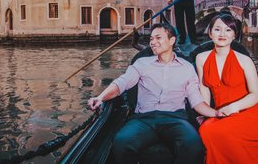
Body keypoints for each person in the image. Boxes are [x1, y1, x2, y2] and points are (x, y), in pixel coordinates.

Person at [88, 23, 222, 164]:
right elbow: (123, 82)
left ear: (172, 40)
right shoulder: (142, 63)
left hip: (175, 119)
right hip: (143, 119)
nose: (152, 42)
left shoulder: (187, 68)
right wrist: (100, 97)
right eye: (151, 39)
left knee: (194, 146)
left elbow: (196, 101)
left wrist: (216, 113)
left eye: (158, 38)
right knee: (121, 142)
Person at [195, 14, 258, 164]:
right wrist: (206, 113)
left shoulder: (244, 60)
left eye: (228, 30)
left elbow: (256, 94)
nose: (222, 34)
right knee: (206, 129)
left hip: (247, 110)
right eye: (217, 29)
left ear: (234, 35)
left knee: (211, 131)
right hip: (220, 112)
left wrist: (234, 107)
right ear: (210, 33)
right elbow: (204, 87)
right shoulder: (201, 58)